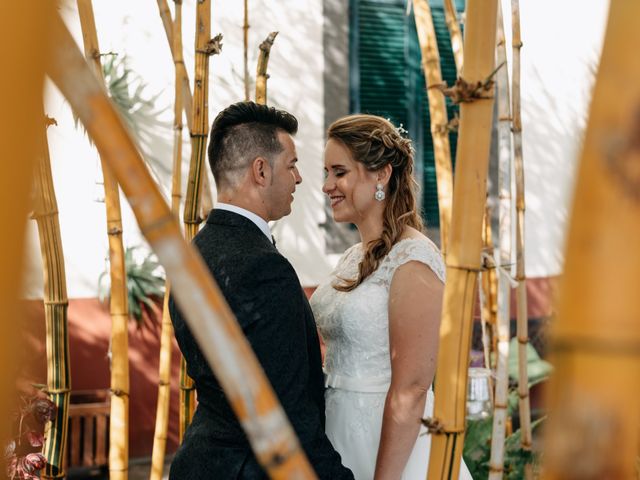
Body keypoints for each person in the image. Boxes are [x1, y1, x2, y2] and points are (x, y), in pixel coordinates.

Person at [169, 101, 353, 479]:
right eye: (292, 164)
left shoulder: (194, 253)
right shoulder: (263, 267)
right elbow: (288, 416)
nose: (299, 178)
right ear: (261, 170)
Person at [310, 114, 472, 479]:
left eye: (339, 172)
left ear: (381, 174)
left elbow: (412, 388)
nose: (327, 186)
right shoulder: (354, 257)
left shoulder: (413, 259)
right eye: (326, 172)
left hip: (389, 446)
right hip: (334, 435)